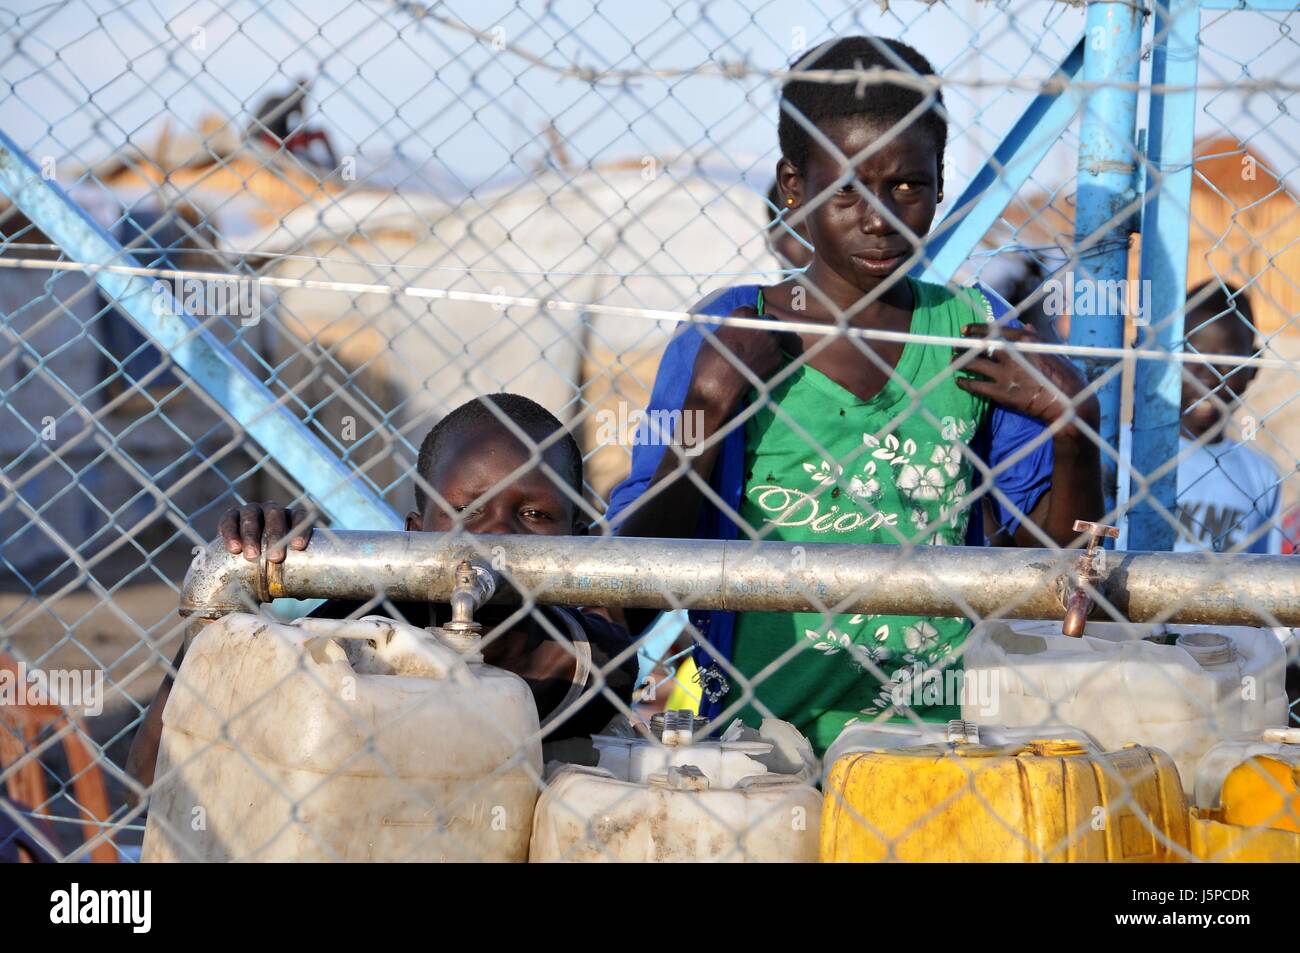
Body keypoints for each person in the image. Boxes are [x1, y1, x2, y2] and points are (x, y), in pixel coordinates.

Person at [604, 36, 1102, 754]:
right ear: (793, 185)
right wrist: (706, 415)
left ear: (937, 182)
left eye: (907, 185)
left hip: (938, 745)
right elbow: (638, 572)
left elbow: (1051, 578)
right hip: (758, 746)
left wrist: (1074, 428)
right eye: (849, 189)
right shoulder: (730, 331)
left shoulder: (971, 333)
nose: (880, 217)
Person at [127, 394, 638, 790]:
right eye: (466, 511)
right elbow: (150, 776)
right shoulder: (353, 634)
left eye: (535, 515)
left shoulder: (591, 662)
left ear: (579, 543)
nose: (496, 536)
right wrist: (228, 602)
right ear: (414, 534)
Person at [1119, 281, 1281, 554]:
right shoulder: (1120, 449)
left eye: (1227, 361)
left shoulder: (1262, 477)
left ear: (1253, 366)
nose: (1208, 376)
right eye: (1192, 355)